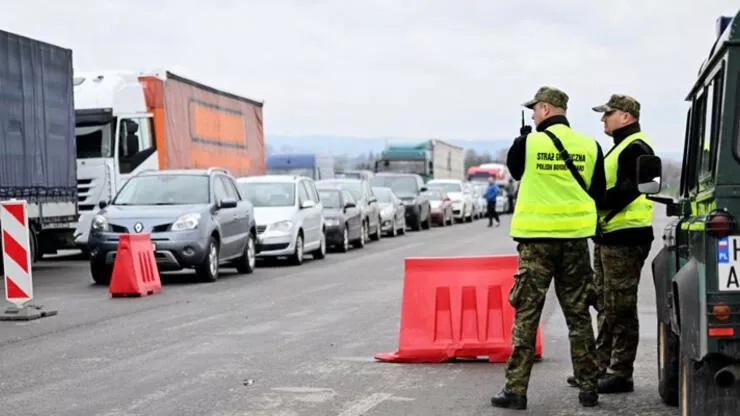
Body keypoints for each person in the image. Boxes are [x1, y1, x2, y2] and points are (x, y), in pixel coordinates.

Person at [490, 86, 606, 410]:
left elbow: (515, 171)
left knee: (527, 315)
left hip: (537, 244)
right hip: (575, 243)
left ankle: (515, 392)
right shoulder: (589, 146)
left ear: (544, 109)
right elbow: (598, 191)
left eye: (535, 110)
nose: (533, 115)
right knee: (579, 315)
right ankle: (588, 389)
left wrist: (521, 140)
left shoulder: (528, 143)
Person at [566, 94, 655, 394]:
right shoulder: (618, 148)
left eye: (609, 114)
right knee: (604, 304)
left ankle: (620, 373)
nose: (603, 119)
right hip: (610, 236)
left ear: (626, 117)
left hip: (626, 238)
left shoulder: (636, 148)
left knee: (620, 308)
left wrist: (598, 202)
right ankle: (598, 367)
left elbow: (631, 190)